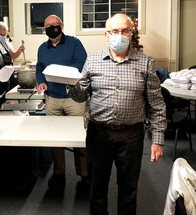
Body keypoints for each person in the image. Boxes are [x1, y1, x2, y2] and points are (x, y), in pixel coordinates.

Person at [67, 13, 167, 215]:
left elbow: (157, 104)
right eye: (114, 31)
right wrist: (70, 85)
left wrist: (157, 139)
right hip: (98, 134)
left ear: (131, 34)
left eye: (124, 31)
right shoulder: (93, 60)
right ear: (106, 34)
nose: (119, 35)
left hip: (131, 135)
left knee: (128, 189)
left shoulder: (145, 63)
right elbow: (80, 97)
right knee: (97, 188)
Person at [36, 14, 89, 190]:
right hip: (52, 98)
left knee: (79, 138)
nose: (51, 28)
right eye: (47, 26)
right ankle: (59, 172)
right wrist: (41, 81)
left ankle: (84, 175)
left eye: (55, 24)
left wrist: (60, 72)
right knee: (55, 139)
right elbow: (39, 68)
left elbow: (82, 63)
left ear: (62, 25)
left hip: (73, 98)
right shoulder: (42, 48)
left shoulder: (74, 43)